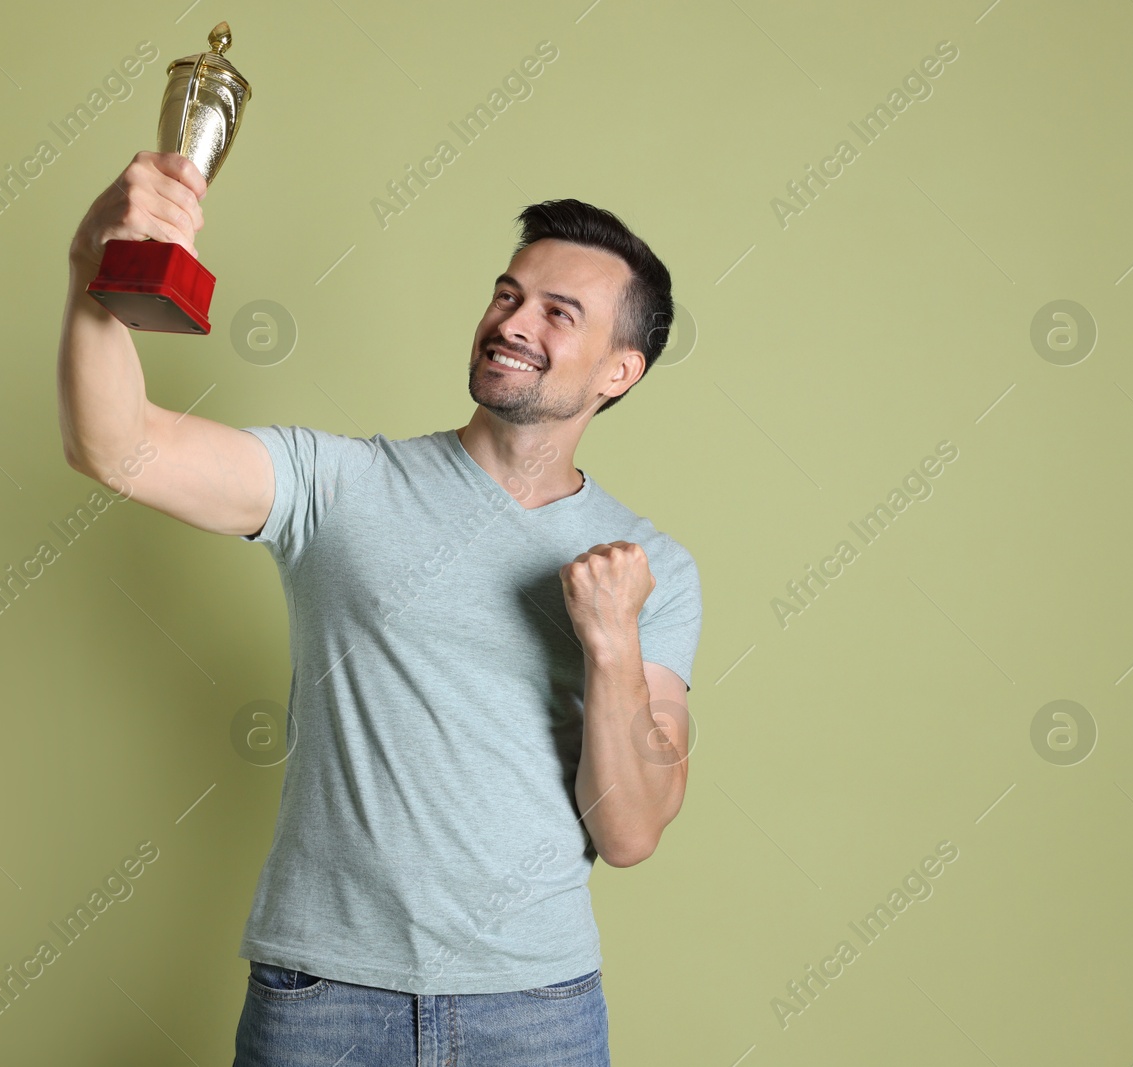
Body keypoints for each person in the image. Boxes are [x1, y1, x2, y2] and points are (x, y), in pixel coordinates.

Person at [58, 151, 704, 1066]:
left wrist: (610, 642)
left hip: (536, 1010)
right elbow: (114, 446)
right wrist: (93, 264)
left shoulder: (652, 570)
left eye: (560, 314)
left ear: (619, 371)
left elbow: (632, 829)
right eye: (508, 295)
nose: (514, 322)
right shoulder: (342, 485)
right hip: (322, 999)